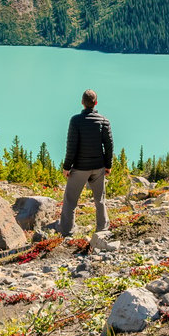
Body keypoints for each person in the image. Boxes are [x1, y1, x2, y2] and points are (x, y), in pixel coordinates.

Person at [58, 88, 113, 235]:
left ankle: (67, 232)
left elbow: (71, 146)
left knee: (70, 200)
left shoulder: (75, 120)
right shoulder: (103, 121)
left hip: (80, 168)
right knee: (100, 200)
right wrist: (108, 165)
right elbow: (109, 145)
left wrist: (67, 167)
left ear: (82, 102)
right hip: (98, 167)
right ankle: (102, 229)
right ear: (95, 103)